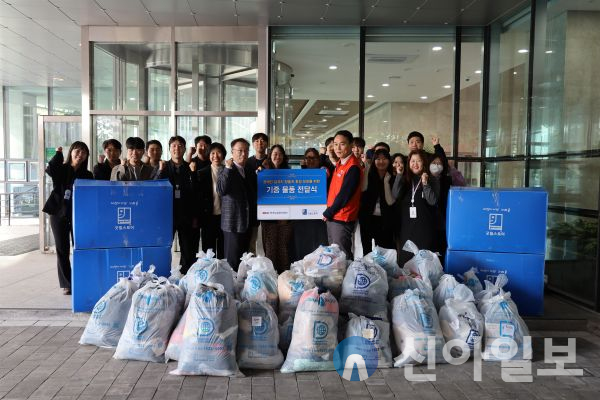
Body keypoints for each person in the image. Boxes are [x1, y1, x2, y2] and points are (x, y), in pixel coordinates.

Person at [42, 142, 93, 295]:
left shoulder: (87, 175)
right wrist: (58, 155)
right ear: (71, 152)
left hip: (79, 215)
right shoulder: (62, 169)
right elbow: (50, 169)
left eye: (84, 152)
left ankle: (82, 279)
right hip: (58, 213)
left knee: (80, 247)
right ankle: (67, 284)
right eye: (77, 151)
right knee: (62, 249)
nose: (80, 154)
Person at [158, 136, 198, 273]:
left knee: (187, 248)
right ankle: (163, 274)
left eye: (180, 146)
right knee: (164, 247)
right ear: (169, 149)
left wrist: (193, 173)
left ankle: (186, 275)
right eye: (174, 146)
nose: (177, 148)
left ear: (184, 149)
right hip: (167, 215)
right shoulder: (163, 166)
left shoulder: (190, 167)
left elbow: (196, 193)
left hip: (186, 214)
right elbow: (156, 187)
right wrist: (160, 171)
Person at [392, 149, 440, 265]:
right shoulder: (405, 179)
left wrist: (425, 183)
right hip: (406, 228)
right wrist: (399, 175)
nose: (415, 164)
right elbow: (395, 195)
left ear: (424, 163)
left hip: (424, 227)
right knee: (406, 261)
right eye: (412, 161)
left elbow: (432, 201)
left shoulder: (432, 179)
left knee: (423, 263)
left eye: (418, 161)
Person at [217, 138, 258, 271]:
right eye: (240, 151)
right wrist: (228, 168)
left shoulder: (249, 170)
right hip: (233, 224)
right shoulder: (224, 169)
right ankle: (231, 283)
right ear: (232, 152)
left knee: (245, 261)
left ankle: (241, 283)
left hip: (247, 222)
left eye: (246, 151)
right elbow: (221, 190)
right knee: (232, 262)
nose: (243, 154)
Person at [322, 130, 363, 260]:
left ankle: (347, 274)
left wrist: (329, 212)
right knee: (334, 257)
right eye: (335, 144)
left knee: (342, 256)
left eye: (342, 144)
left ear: (351, 145)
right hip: (334, 216)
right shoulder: (341, 163)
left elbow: (345, 195)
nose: (338, 148)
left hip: (342, 217)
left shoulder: (353, 167)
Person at [259, 144, 293, 273]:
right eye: (275, 154)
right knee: (270, 250)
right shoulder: (262, 171)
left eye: (280, 154)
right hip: (268, 218)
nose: (277, 157)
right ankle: (271, 278)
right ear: (270, 156)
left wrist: (286, 216)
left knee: (284, 249)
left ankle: (284, 277)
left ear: (284, 157)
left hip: (285, 219)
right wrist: (259, 174)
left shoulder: (290, 173)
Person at [292, 148, 329, 261]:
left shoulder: (325, 173)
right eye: (308, 158)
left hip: (319, 218)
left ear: (318, 159)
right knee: (302, 246)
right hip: (301, 219)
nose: (310, 160)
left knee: (318, 247)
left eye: (313, 158)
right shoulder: (297, 175)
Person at [359, 149, 396, 255]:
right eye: (378, 159)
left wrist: (386, 182)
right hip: (367, 218)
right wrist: (367, 168)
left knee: (383, 251)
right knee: (367, 250)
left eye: (384, 159)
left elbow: (390, 202)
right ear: (374, 160)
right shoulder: (369, 174)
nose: (381, 161)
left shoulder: (392, 176)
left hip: (385, 220)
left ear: (389, 160)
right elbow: (363, 189)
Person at [197, 142, 227, 258]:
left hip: (225, 217)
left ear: (223, 155)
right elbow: (199, 198)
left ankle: (222, 269)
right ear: (209, 155)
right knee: (208, 250)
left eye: (218, 153)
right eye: (212, 153)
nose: (215, 156)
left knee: (223, 249)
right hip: (208, 217)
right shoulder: (202, 173)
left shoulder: (228, 171)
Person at [429, 155, 453, 262]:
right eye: (434, 163)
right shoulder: (425, 179)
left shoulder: (447, 180)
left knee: (441, 247)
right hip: (428, 218)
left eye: (439, 163)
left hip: (443, 218)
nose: (436, 165)